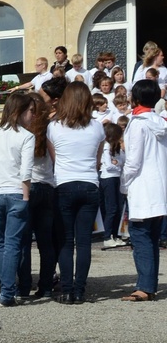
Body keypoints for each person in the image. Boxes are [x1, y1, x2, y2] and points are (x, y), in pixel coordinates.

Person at [47, 79, 105, 303]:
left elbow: (54, 159)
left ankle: (67, 289)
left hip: (64, 184)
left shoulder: (54, 126)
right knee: (84, 242)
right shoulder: (97, 126)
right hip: (90, 183)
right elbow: (98, 160)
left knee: (65, 241)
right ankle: (80, 289)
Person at [0, 92, 35, 307]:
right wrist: (26, 196)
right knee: (11, 243)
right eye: (30, 111)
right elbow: (26, 171)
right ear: (20, 111)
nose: (32, 116)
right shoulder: (26, 136)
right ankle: (7, 292)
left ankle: (6, 292)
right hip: (15, 192)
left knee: (0, 244)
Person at [121, 73, 167, 300]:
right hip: (160, 186)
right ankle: (150, 284)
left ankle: (145, 287)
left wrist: (123, 183)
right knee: (152, 237)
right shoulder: (161, 122)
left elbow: (133, 161)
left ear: (136, 98)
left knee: (140, 237)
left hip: (141, 185)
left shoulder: (137, 124)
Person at [18, 92, 60, 300]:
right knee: (46, 242)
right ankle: (45, 286)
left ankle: (23, 286)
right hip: (47, 186)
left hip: (27, 186)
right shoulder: (50, 129)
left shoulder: (22, 132)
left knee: (24, 241)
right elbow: (56, 160)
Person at [98, 120, 125, 247]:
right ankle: (107, 236)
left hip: (117, 178)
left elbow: (122, 160)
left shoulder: (116, 147)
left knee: (119, 207)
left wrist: (117, 164)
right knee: (111, 208)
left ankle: (116, 234)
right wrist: (117, 165)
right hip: (108, 178)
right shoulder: (106, 146)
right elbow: (108, 166)